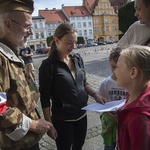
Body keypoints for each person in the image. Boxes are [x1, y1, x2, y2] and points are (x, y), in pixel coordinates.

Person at [39, 23, 106, 150]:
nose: (73, 47)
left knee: (78, 146)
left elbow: (84, 82)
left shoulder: (77, 58)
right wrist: (50, 124)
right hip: (63, 121)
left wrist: (95, 95)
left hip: (82, 116)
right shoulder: (48, 65)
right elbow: (45, 98)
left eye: (75, 42)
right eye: (69, 43)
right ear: (57, 41)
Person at [0, 0, 53, 150]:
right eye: (27, 27)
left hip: (25, 141)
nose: (31, 32)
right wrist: (33, 124)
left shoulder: (10, 53)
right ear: (8, 25)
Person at [115, 45, 150, 150]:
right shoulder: (132, 95)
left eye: (117, 67)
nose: (115, 71)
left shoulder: (139, 117)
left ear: (133, 72)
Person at [98, 47, 127, 150]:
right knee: (109, 146)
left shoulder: (129, 84)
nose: (115, 71)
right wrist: (111, 116)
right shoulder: (105, 84)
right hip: (109, 120)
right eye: (112, 67)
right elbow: (100, 104)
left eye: (118, 67)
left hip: (125, 121)